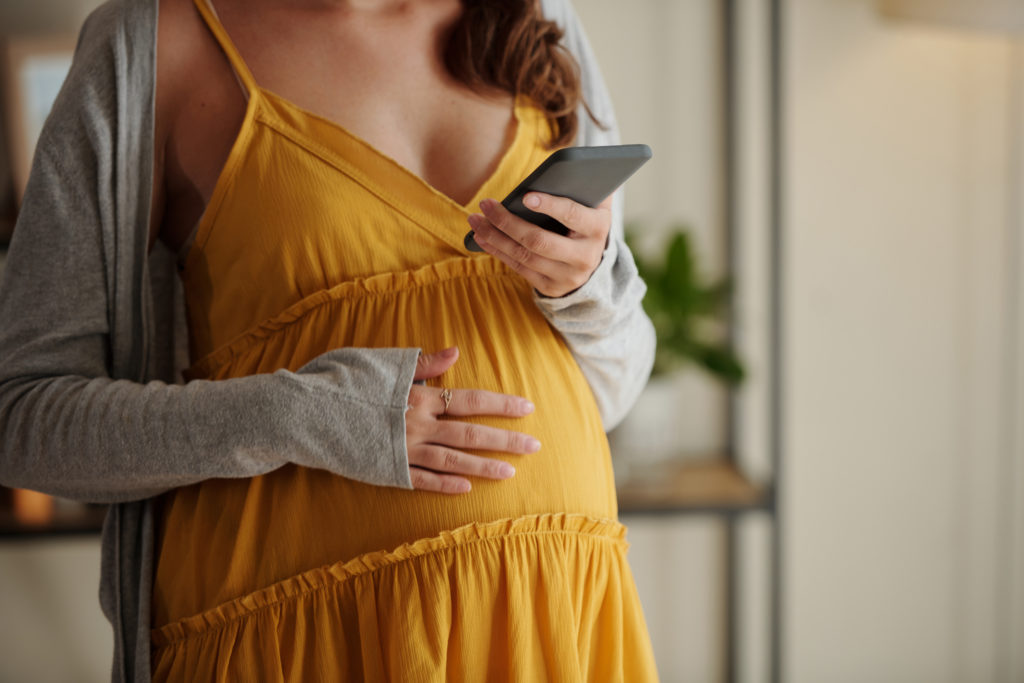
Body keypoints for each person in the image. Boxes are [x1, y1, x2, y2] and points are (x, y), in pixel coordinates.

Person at [0, 0, 658, 679]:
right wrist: (296, 415)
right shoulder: (154, 44)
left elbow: (615, 384)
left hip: (549, 616)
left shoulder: (537, 18)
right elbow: (20, 416)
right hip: (294, 642)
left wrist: (584, 290)